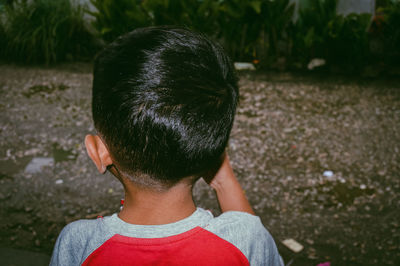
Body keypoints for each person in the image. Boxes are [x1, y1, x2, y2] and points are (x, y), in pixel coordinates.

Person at [50, 26, 283, 266]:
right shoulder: (247, 241)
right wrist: (223, 178)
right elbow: (247, 230)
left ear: (98, 152)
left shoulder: (78, 244)